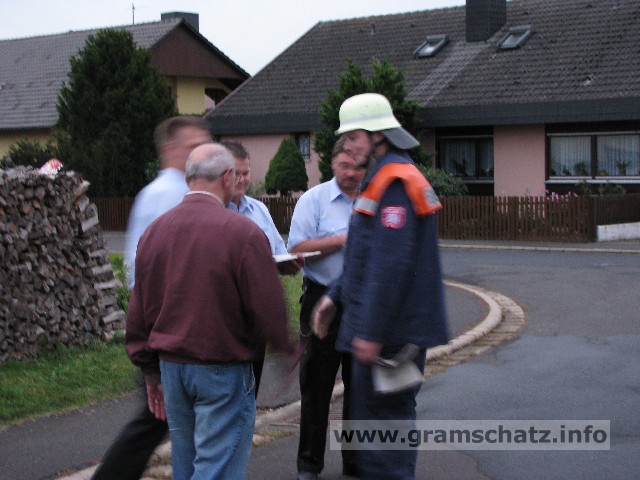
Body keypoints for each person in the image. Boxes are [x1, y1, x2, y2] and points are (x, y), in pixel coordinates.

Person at [125, 143, 297, 480]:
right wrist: (287, 349)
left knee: (187, 462)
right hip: (222, 367)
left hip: (172, 369)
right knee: (217, 467)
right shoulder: (243, 233)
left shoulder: (154, 233)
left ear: (188, 178)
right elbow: (267, 304)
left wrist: (150, 371)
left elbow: (139, 310)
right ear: (228, 176)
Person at [312, 93, 450, 480]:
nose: (347, 146)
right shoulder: (382, 179)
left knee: (385, 432)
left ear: (377, 135)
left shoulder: (394, 183)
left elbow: (390, 266)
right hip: (387, 330)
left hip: (391, 335)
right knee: (376, 426)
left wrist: (371, 332)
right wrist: (334, 297)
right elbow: (366, 255)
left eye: (352, 136)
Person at [92, 116, 211, 480]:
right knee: (155, 418)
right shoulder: (169, 195)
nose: (203, 154)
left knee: (168, 418)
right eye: (194, 147)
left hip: (167, 327)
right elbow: (152, 271)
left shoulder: (165, 192)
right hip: (168, 328)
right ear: (169, 150)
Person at [287, 136, 366, 480]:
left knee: (360, 388)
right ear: (332, 163)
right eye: (344, 165)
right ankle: (309, 465)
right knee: (316, 387)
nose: (351, 172)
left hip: (362, 303)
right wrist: (341, 239)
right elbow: (296, 250)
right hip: (320, 299)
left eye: (357, 166)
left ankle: (355, 463)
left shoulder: (372, 200)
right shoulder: (314, 200)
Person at [223, 140, 302, 395]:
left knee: (249, 395)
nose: (242, 179)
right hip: (225, 325)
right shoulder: (213, 212)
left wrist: (289, 264)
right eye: (236, 173)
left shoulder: (259, 210)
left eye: (246, 173)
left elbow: (277, 253)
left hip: (255, 326)